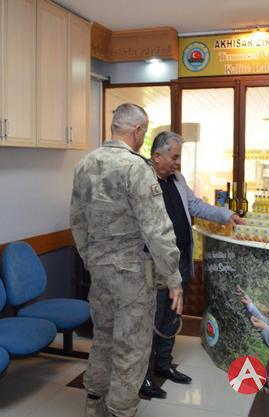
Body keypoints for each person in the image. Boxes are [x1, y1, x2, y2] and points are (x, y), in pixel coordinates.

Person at [70, 104, 184, 417]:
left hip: (99, 271)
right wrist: (173, 277)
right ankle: (120, 410)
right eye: (143, 132)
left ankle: (94, 403)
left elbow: (77, 222)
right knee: (131, 347)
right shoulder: (136, 168)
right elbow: (156, 229)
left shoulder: (84, 165)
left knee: (103, 339)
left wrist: (92, 260)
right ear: (137, 130)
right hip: (132, 273)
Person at [139, 131, 245, 399]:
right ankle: (142, 376)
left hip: (181, 261)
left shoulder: (178, 179)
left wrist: (226, 215)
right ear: (157, 156)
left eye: (179, 157)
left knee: (173, 316)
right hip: (156, 265)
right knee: (152, 320)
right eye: (174, 157)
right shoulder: (141, 180)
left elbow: (196, 206)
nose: (177, 163)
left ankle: (163, 364)